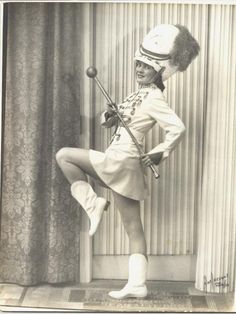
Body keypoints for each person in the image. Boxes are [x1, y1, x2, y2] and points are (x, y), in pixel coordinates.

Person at [56, 24, 200, 299]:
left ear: (159, 71)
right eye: (138, 64)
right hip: (123, 163)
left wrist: (160, 152)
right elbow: (115, 121)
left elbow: (177, 128)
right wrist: (109, 116)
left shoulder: (155, 97)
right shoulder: (138, 94)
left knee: (64, 155)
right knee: (133, 227)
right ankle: (137, 284)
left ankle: (93, 203)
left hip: (121, 161)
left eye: (146, 67)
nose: (139, 69)